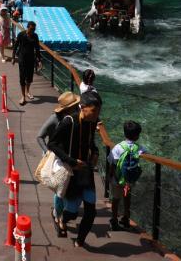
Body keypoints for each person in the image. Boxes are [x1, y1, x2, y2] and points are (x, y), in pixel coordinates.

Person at [47, 91, 102, 246]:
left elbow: (90, 143)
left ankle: (80, 241)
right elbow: (52, 144)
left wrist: (95, 152)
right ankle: (62, 218)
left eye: (98, 111)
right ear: (83, 107)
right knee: (71, 212)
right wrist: (70, 160)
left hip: (86, 171)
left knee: (91, 212)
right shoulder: (68, 122)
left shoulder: (92, 122)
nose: (97, 115)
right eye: (94, 111)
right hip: (72, 173)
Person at [37, 91, 80, 224]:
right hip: (55, 158)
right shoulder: (55, 119)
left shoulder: (75, 118)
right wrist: (47, 152)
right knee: (59, 187)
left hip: (68, 157)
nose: (78, 107)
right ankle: (57, 214)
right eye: (75, 105)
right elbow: (39, 136)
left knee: (64, 186)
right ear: (69, 108)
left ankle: (60, 212)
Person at [107, 120, 146, 231]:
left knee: (115, 199)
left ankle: (114, 220)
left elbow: (112, 163)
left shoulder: (118, 147)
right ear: (137, 136)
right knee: (127, 197)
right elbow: (145, 153)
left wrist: (110, 176)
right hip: (129, 180)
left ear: (124, 134)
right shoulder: (138, 148)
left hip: (117, 179)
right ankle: (126, 218)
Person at [12, 20, 41, 105]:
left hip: (31, 59)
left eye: (34, 29)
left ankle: (27, 91)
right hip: (22, 59)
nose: (33, 31)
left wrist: (39, 60)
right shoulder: (21, 35)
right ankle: (23, 96)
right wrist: (13, 57)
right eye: (31, 29)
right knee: (22, 78)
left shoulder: (35, 36)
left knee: (29, 78)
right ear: (27, 27)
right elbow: (16, 46)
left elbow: (37, 48)